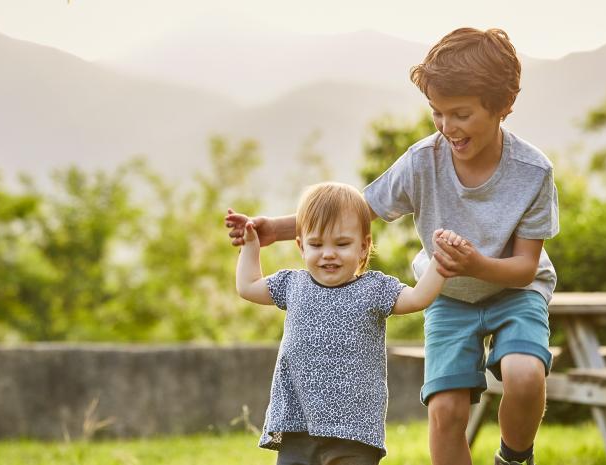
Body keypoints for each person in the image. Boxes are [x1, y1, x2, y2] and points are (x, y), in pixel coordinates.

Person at [227, 27, 559, 465]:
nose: (447, 128)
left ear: (504, 107)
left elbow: (523, 267)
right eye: (437, 113)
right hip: (448, 298)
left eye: (460, 114)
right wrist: (279, 228)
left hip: (516, 292)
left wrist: (475, 263)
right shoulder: (423, 160)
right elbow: (359, 208)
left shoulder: (532, 171)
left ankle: (515, 458)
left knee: (524, 374)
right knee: (446, 410)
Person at [236, 181, 456, 465]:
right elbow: (249, 286)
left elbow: (417, 298)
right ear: (301, 246)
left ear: (364, 247)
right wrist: (250, 246)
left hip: (355, 431)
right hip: (297, 425)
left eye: (342, 244)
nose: (328, 253)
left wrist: (440, 262)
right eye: (316, 244)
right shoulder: (293, 284)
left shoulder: (375, 288)